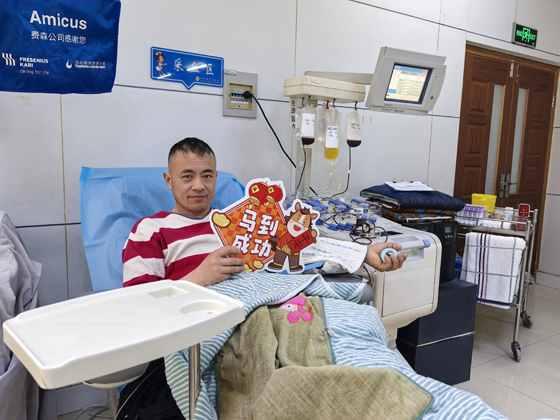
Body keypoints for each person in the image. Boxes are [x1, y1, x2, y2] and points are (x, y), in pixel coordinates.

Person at [122, 137, 407, 288]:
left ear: (216, 177)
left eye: (207, 176)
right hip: (205, 325)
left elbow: (302, 246)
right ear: (168, 180)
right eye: (187, 176)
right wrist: (200, 277)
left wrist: (363, 254)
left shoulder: (240, 221)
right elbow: (139, 301)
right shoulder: (150, 230)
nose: (199, 185)